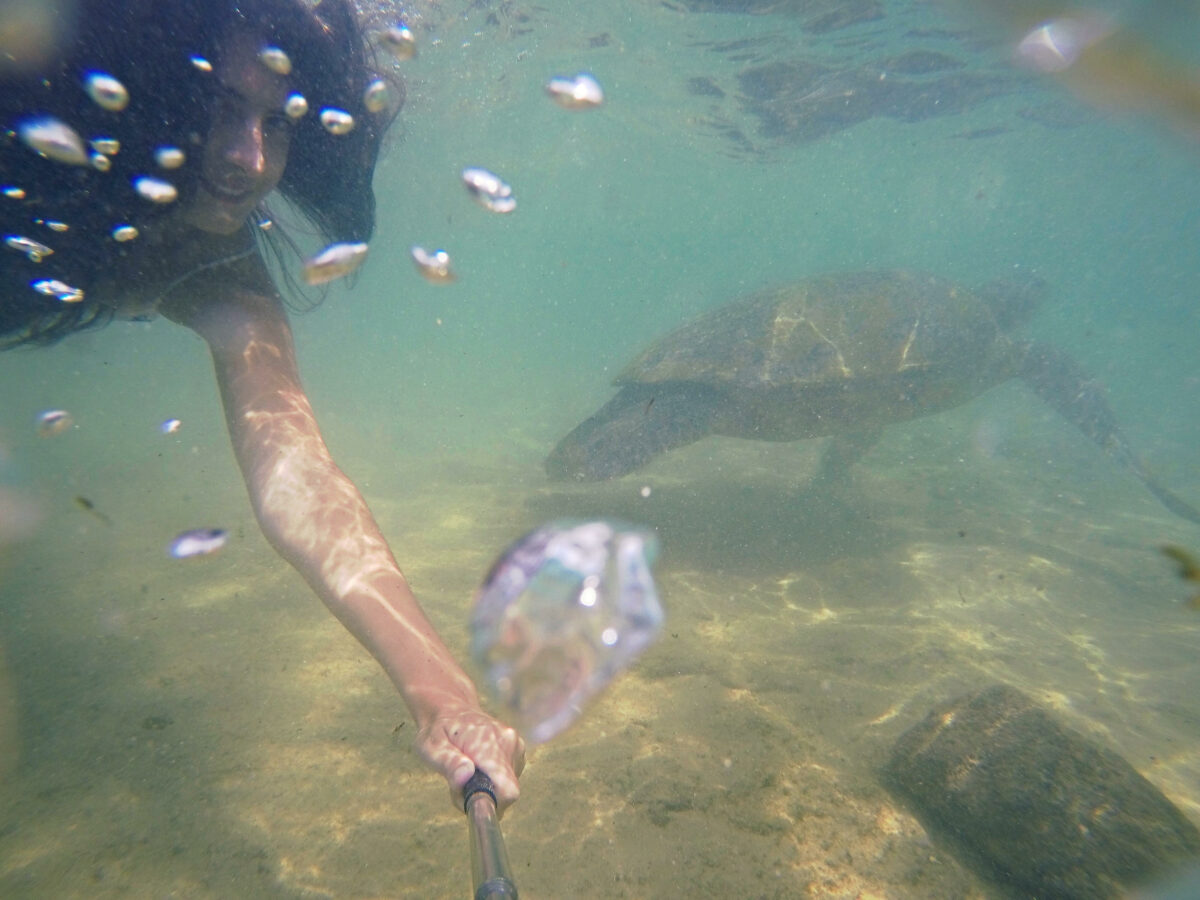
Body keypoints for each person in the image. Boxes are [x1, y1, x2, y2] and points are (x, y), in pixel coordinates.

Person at [0, 0, 524, 812]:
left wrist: (441, 691)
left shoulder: (224, 272)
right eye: (219, 108)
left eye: (278, 124)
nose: (248, 159)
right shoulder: (28, 156)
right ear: (140, 88)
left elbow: (297, 473)